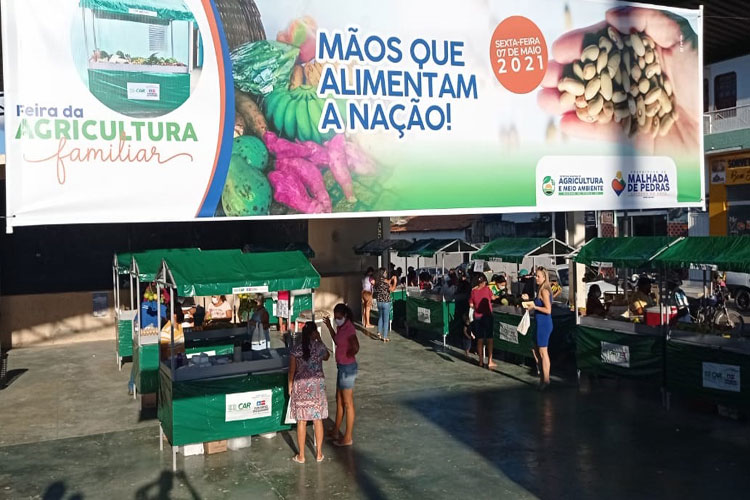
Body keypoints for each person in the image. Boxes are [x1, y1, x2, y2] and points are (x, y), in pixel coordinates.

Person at [289, 321, 330, 464]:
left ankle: (301, 455)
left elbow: (292, 370)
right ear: (314, 333)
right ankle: (319, 453)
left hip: (301, 386)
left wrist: (290, 385)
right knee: (317, 420)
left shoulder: (296, 349)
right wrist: (320, 339)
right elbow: (327, 356)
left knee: (302, 421)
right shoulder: (319, 347)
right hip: (317, 386)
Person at [323, 304, 359, 447]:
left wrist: (349, 354)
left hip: (347, 368)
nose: (337, 319)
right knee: (339, 400)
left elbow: (355, 346)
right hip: (341, 367)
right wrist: (329, 327)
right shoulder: (341, 328)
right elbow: (337, 340)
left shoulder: (349, 329)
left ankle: (348, 437)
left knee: (348, 403)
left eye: (339, 317)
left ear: (345, 316)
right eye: (335, 317)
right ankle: (336, 430)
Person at [524, 267, 553, 390]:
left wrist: (534, 307)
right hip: (538, 322)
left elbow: (548, 309)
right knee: (536, 350)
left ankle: (546, 380)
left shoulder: (545, 291)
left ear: (544, 277)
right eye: (536, 276)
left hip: (544, 324)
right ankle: (542, 377)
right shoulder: (539, 290)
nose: (536, 278)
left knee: (543, 352)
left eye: (538, 276)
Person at [470, 274, 495, 368]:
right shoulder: (487, 289)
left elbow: (471, 304)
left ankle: (480, 361)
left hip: (477, 317)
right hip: (487, 316)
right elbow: (493, 298)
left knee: (479, 339)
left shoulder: (473, 291)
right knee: (489, 338)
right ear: (484, 282)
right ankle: (490, 361)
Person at [374, 268, 392, 342]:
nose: (386, 274)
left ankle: (379, 332)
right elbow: (392, 289)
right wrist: (394, 281)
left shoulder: (377, 283)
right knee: (386, 320)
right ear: (383, 273)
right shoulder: (385, 283)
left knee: (380, 317)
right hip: (386, 302)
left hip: (379, 302)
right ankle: (384, 337)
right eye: (385, 272)